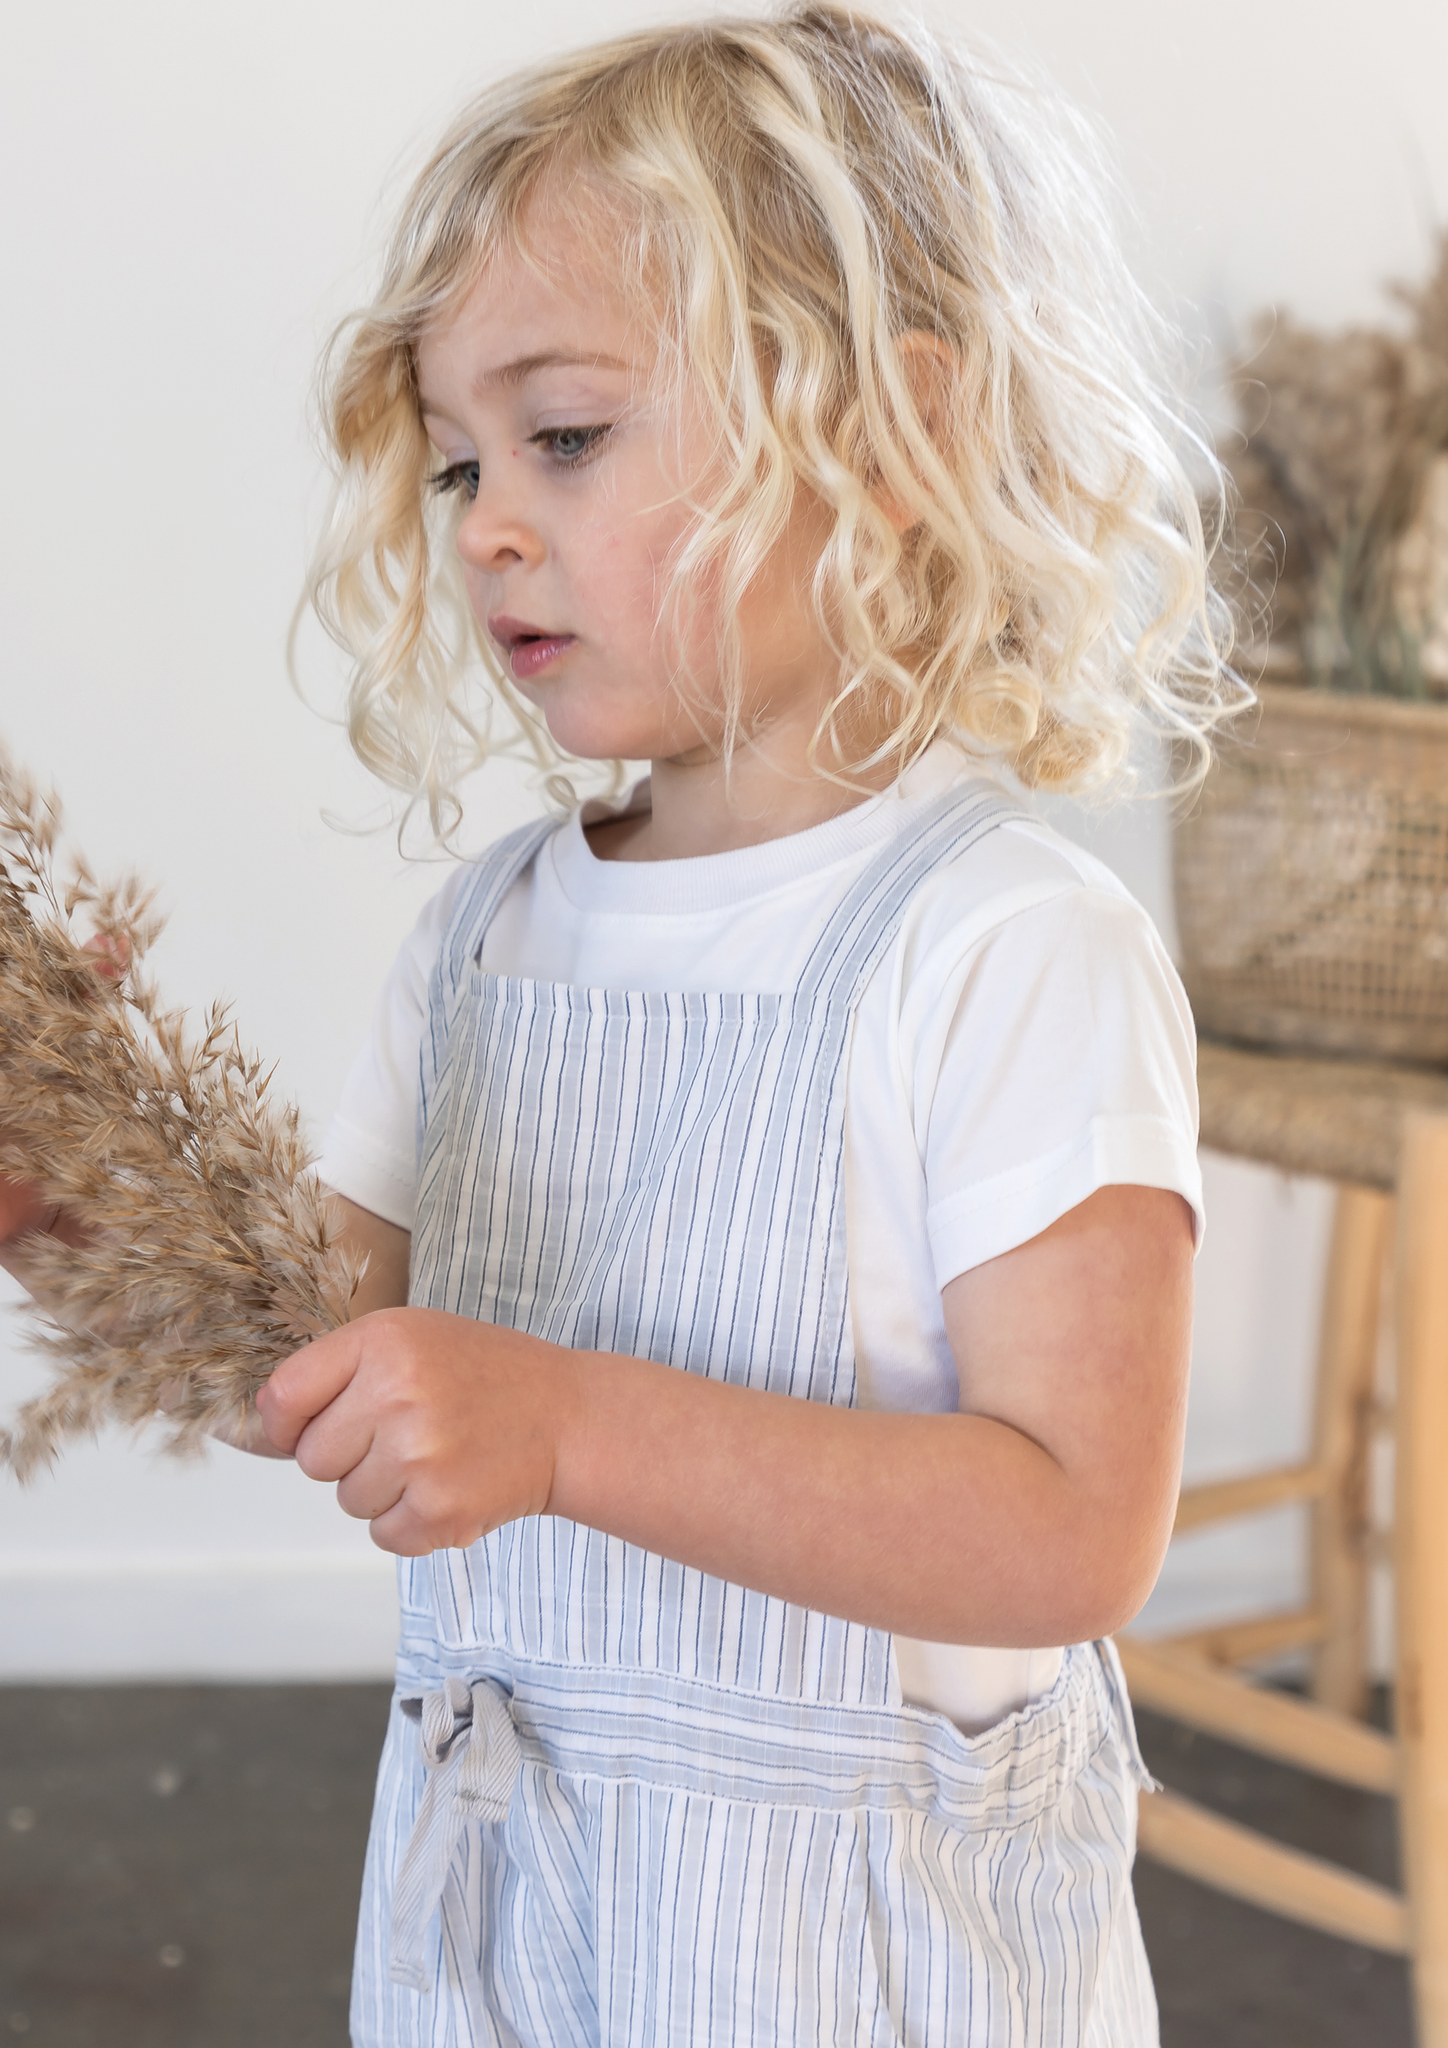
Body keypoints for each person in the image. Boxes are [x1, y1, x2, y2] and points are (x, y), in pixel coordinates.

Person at [3, 7, 1237, 2041]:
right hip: (513, 1920)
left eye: (563, 435)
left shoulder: (1007, 948)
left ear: (894, 436)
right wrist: (56, 1203)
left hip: (854, 1954)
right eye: (461, 459)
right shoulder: (484, 940)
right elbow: (309, 1369)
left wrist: (566, 1425)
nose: (484, 519)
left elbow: (1068, 1530)